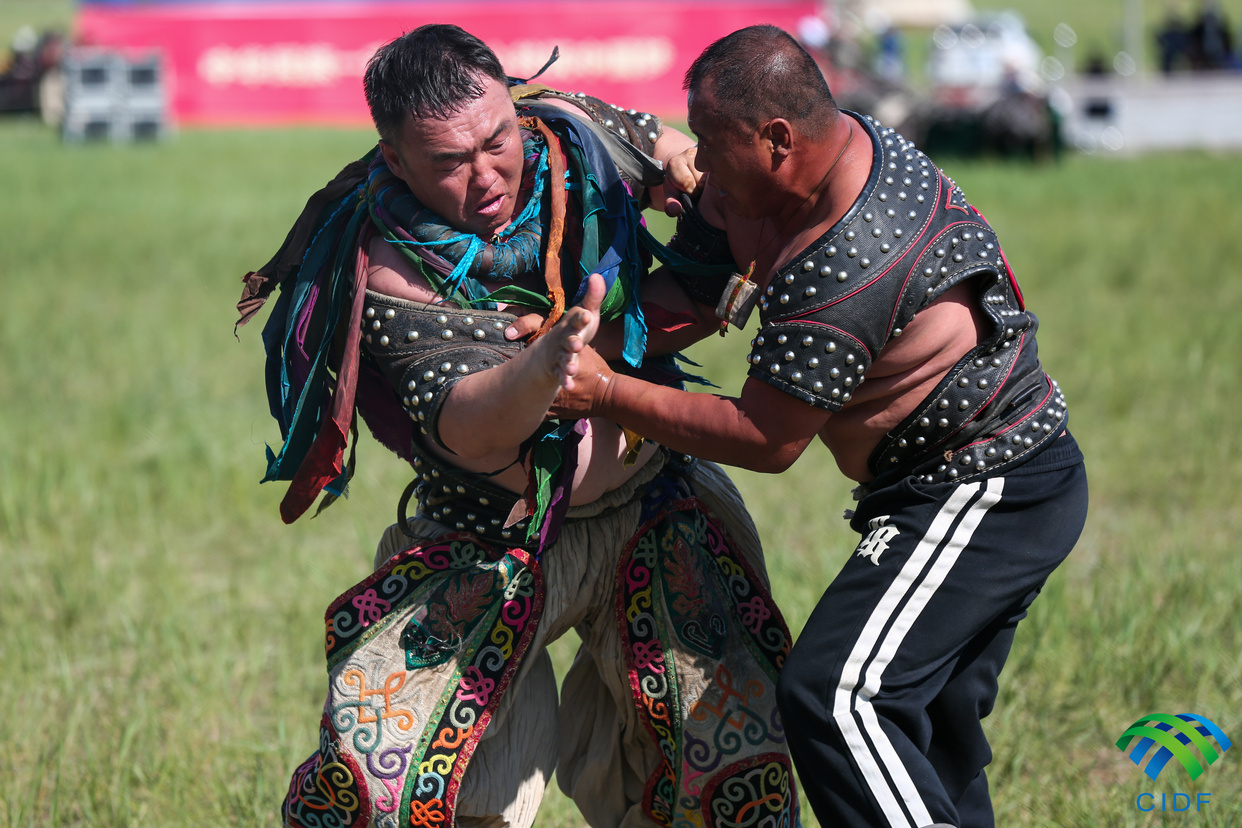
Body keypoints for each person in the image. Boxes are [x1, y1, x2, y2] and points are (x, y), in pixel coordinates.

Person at [235, 24, 801, 828]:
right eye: (448, 162)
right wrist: (549, 367)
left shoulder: (570, 134)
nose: (486, 173)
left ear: (513, 107)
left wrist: (687, 169)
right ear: (396, 161)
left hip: (654, 505)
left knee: (723, 768)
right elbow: (467, 425)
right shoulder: (389, 263)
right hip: (485, 536)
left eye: (495, 139)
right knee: (396, 784)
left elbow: (672, 150)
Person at [553, 25, 1088, 828]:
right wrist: (566, 333)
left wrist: (603, 392)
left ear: (776, 140)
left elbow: (766, 439)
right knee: (926, 731)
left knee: (839, 698)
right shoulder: (771, 183)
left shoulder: (850, 253)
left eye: (710, 142)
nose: (697, 162)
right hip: (941, 486)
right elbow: (694, 296)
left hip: (988, 490)